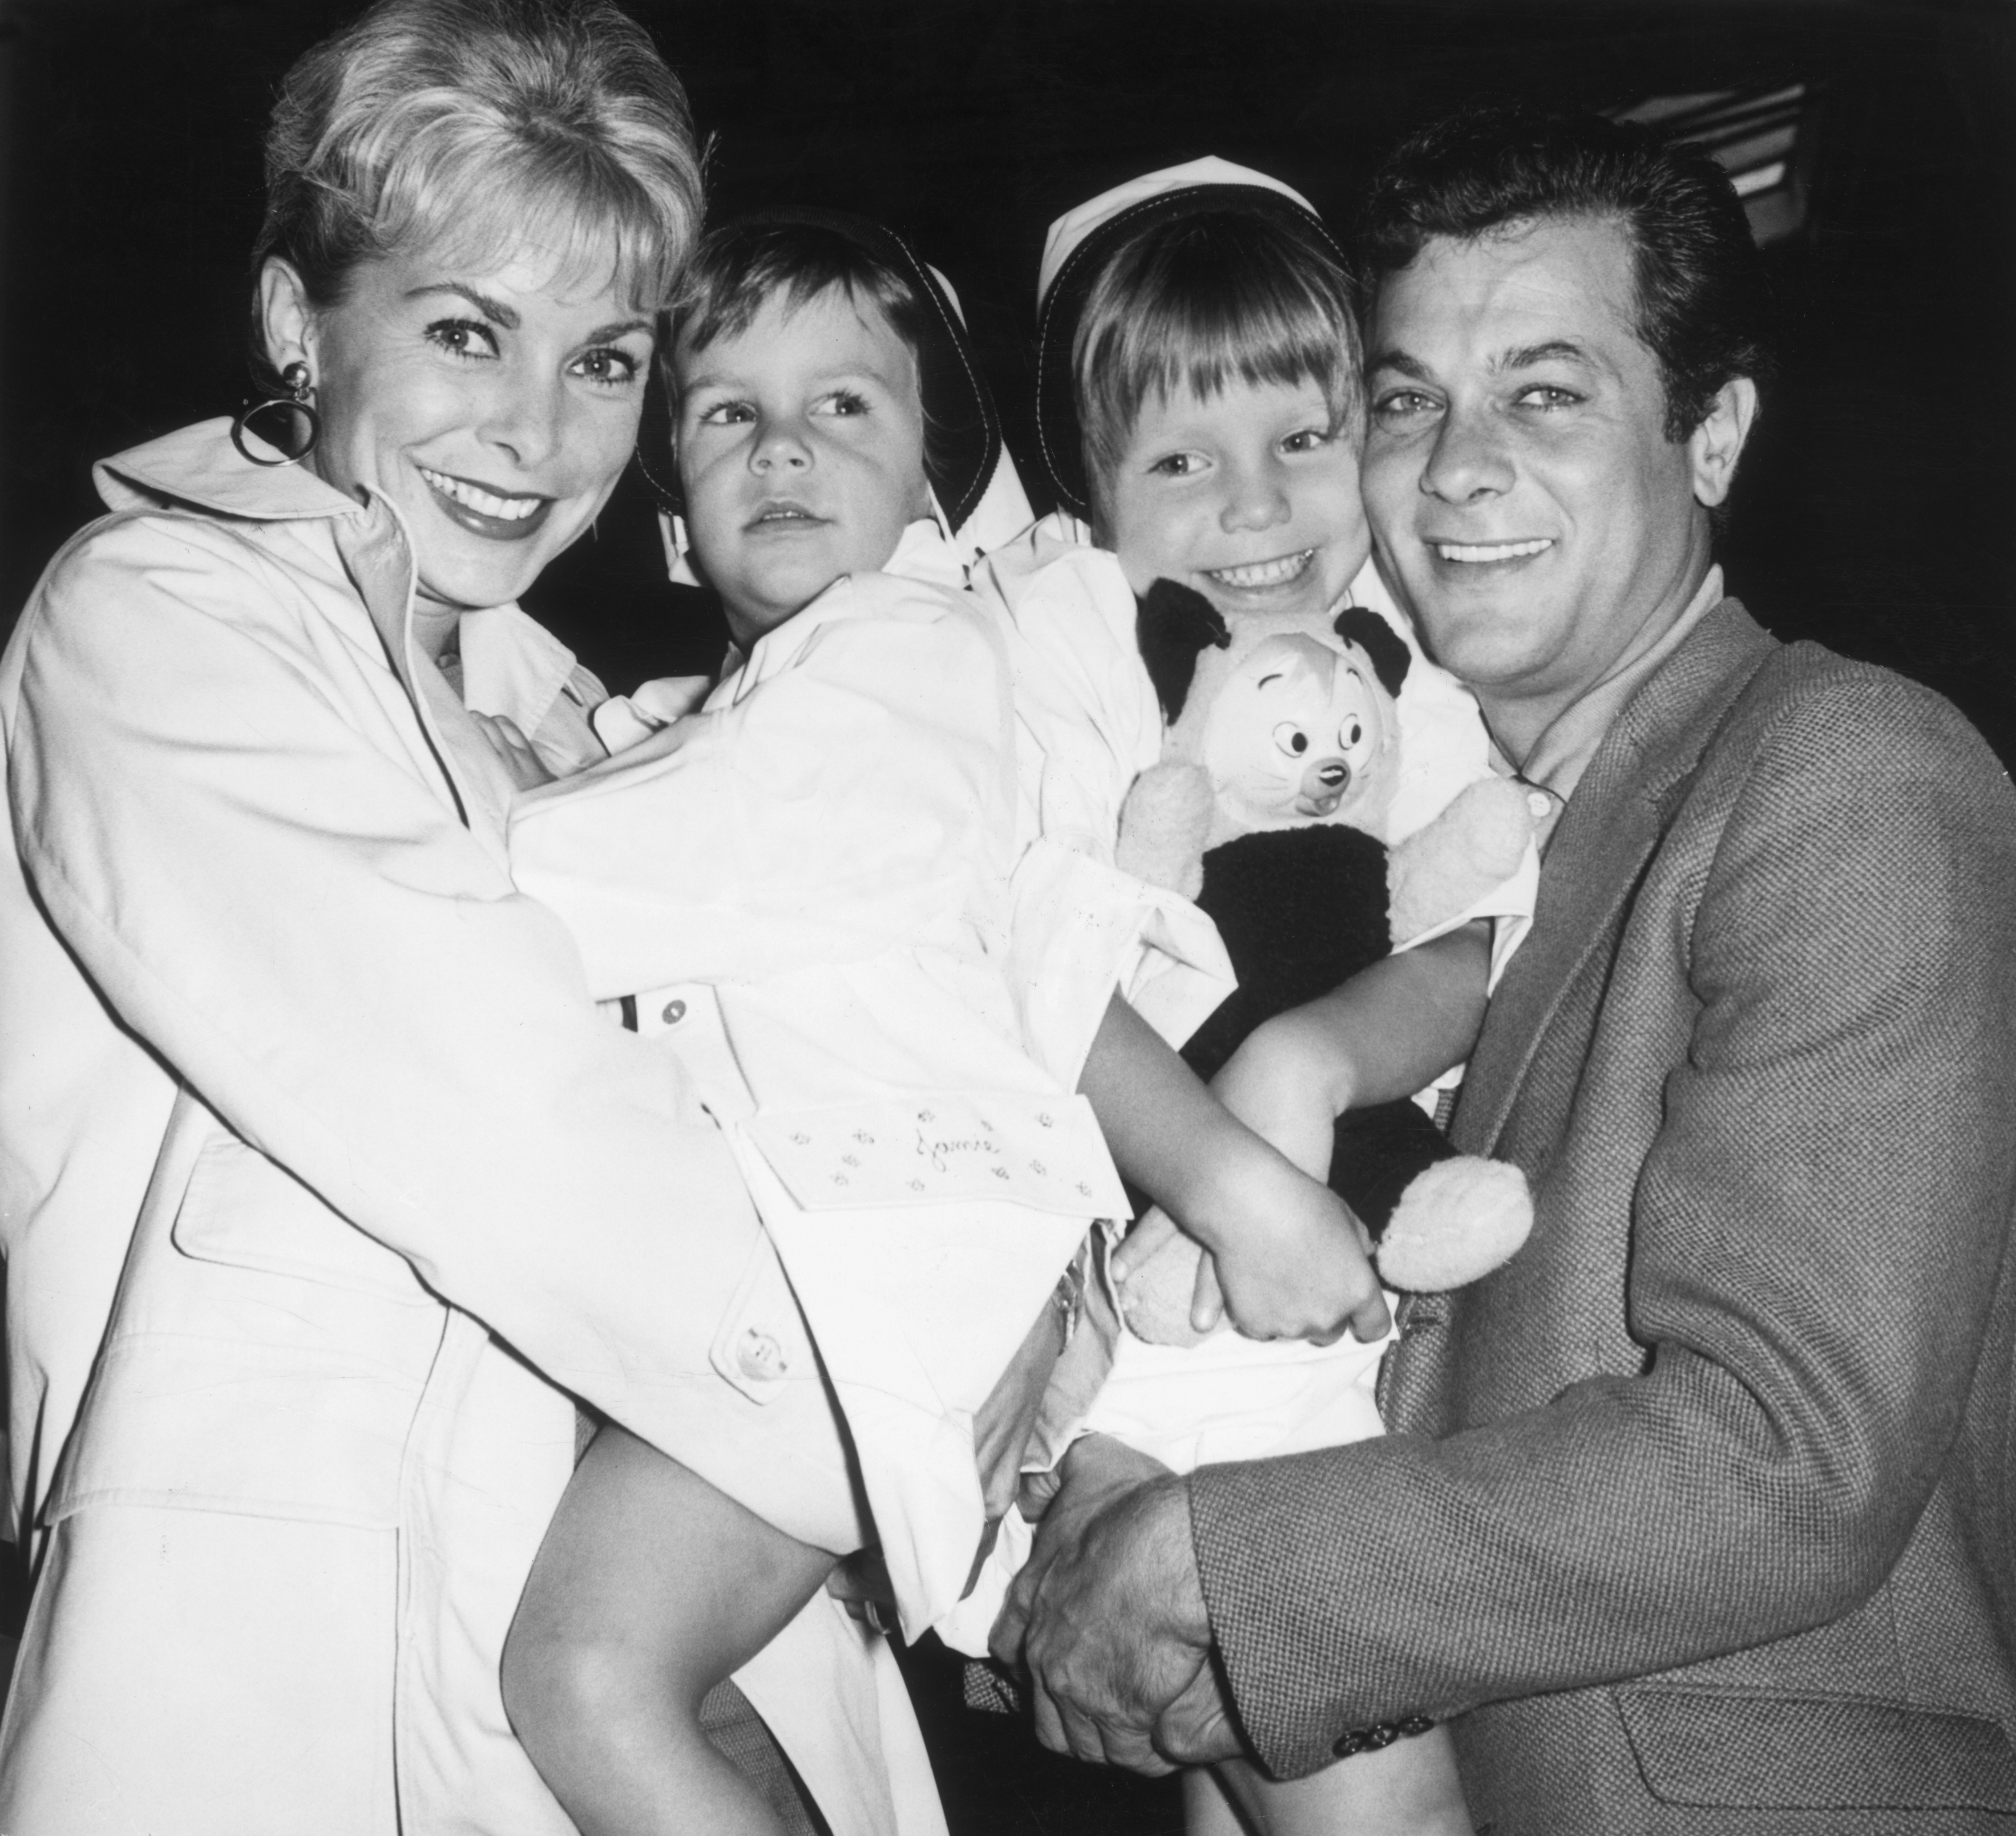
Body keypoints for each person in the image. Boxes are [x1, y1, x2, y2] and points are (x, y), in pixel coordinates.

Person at [993, 102, 2016, 1835]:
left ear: (1713, 437)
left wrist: (1213, 1562)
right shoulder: (1436, 832)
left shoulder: (1839, 769)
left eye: (1547, 392)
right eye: (1407, 401)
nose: (1457, 467)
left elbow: (1788, 1455)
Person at [0, 6, 901, 1831]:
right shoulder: (160, 618)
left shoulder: (606, 728)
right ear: (293, 324)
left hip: (667, 1662)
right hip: (284, 1661)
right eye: (465, 331)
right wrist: (902, 1407)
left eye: (607, 359)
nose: (538, 432)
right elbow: (484, 1087)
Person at [494, 208, 1396, 1836]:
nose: (784, 446)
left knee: (588, 1674)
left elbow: (593, 881)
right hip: (905, 1280)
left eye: (845, 405)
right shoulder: (801, 698)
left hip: (880, 1282)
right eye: (728, 414)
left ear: (930, 489)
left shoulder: (895, 653)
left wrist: (458, 825)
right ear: (680, 535)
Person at [970, 159, 1537, 1836]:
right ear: (1089, 489)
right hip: (1123, 1315)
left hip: (1330, 1321)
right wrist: (1227, 1171)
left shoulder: (1409, 655)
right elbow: (1022, 966)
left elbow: (1487, 931)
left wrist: (1301, 1065)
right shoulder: (1053, 646)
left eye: (1303, 437)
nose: (1259, 508)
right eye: (1181, 460)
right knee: (1384, 1800)